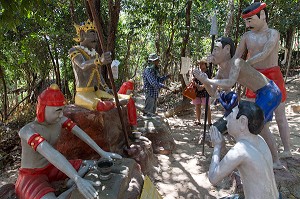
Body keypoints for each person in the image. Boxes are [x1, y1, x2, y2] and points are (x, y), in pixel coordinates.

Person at [15, 84, 122, 199]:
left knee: (90, 165)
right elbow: (49, 152)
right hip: (32, 176)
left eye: (62, 110)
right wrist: (77, 179)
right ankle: (73, 187)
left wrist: (102, 152)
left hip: (51, 167)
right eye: (57, 111)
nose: (61, 114)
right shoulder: (28, 131)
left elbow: (82, 134)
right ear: (43, 108)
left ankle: (72, 184)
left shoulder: (59, 120)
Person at [192, 37, 283, 168]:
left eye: (216, 49)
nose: (213, 53)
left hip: (270, 92)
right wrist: (204, 80)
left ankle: (270, 160)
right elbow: (212, 92)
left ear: (227, 49)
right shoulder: (221, 71)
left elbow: (230, 82)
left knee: (251, 124)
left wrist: (208, 80)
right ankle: (273, 160)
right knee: (261, 128)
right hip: (262, 94)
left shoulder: (237, 62)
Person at [234, 2, 291, 157]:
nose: (247, 25)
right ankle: (256, 147)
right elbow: (236, 56)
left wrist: (245, 64)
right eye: (245, 21)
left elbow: (266, 52)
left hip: (273, 75)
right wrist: (227, 67)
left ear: (263, 15)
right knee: (252, 115)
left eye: (250, 20)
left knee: (280, 115)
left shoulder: (273, 33)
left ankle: (287, 150)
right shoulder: (246, 36)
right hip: (254, 77)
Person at [208, 100, 281, 199]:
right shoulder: (260, 140)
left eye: (231, 114)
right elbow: (232, 162)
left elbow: (213, 178)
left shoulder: (240, 149)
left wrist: (217, 146)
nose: (227, 117)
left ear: (243, 122)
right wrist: (223, 146)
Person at [69, 19, 128, 112]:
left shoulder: (95, 54)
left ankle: (132, 125)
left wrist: (107, 88)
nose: (95, 37)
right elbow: (83, 65)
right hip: (83, 94)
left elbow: (98, 74)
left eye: (95, 34)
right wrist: (99, 60)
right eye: (92, 34)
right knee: (104, 106)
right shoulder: (74, 51)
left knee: (127, 99)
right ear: (82, 35)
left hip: (96, 92)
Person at [191, 59, 212, 126]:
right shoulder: (198, 72)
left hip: (205, 91)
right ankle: (198, 120)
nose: (200, 65)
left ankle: (209, 122)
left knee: (207, 107)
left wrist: (201, 86)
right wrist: (194, 81)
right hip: (197, 91)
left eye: (202, 64)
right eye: (199, 64)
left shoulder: (208, 72)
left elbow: (208, 81)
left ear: (205, 64)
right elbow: (194, 79)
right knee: (197, 105)